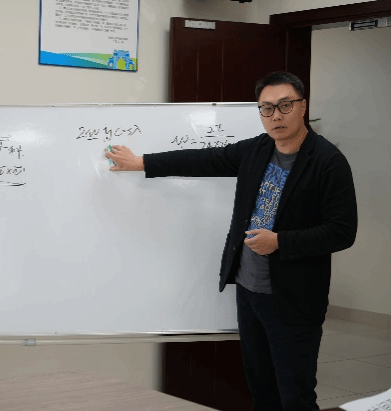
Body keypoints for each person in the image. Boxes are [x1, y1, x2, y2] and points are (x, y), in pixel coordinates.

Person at [105, 71, 358, 411]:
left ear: (302, 106)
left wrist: (280, 241)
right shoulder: (257, 150)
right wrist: (141, 162)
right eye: (266, 108)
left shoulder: (328, 162)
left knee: (295, 396)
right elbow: (203, 159)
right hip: (249, 292)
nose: (276, 116)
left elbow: (342, 231)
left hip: (294, 299)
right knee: (261, 390)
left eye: (285, 105)